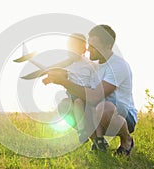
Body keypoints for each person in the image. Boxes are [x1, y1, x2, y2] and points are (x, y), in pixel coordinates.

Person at [43, 25, 137, 156]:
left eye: (94, 46)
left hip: (123, 116)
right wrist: (59, 77)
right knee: (66, 105)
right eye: (89, 44)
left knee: (104, 108)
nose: (88, 49)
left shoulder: (118, 66)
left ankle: (126, 141)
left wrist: (64, 81)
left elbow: (94, 97)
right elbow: (83, 88)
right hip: (97, 113)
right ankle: (98, 142)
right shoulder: (94, 66)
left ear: (108, 46)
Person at [43, 33, 98, 143]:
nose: (72, 51)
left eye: (76, 48)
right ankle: (83, 132)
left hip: (85, 93)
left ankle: (89, 134)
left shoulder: (89, 64)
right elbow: (60, 72)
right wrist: (49, 78)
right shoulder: (68, 63)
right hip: (72, 93)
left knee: (79, 104)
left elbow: (95, 79)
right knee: (71, 105)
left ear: (83, 49)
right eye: (70, 48)